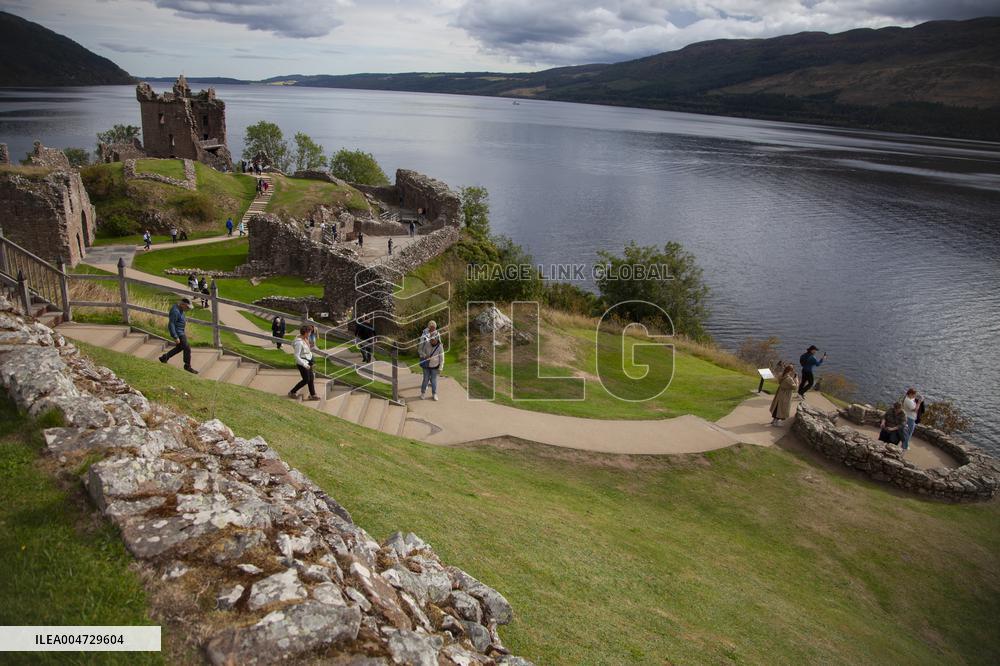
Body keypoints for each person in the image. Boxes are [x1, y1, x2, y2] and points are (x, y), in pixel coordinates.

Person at [158, 298, 197, 373]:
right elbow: (171, 324)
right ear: (183, 304)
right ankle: (187, 366)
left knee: (179, 348)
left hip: (181, 332)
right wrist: (175, 336)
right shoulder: (175, 311)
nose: (188, 309)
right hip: (179, 333)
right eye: (187, 307)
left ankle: (164, 357)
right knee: (187, 348)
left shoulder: (180, 309)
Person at [288, 325, 320, 401]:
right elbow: (296, 356)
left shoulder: (305, 338)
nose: (310, 333)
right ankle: (292, 392)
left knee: (311, 378)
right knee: (306, 380)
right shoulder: (299, 343)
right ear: (305, 333)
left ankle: (313, 395)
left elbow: (308, 352)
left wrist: (312, 362)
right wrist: (305, 365)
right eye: (309, 332)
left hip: (309, 362)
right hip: (302, 364)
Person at [418, 320, 444, 401]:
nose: (433, 329)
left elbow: (441, 355)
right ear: (429, 328)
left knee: (433, 379)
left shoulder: (438, 341)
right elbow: (420, 349)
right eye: (432, 328)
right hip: (426, 362)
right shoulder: (424, 338)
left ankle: (434, 393)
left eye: (434, 328)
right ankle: (423, 392)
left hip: (434, 364)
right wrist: (425, 356)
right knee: (426, 378)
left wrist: (440, 367)